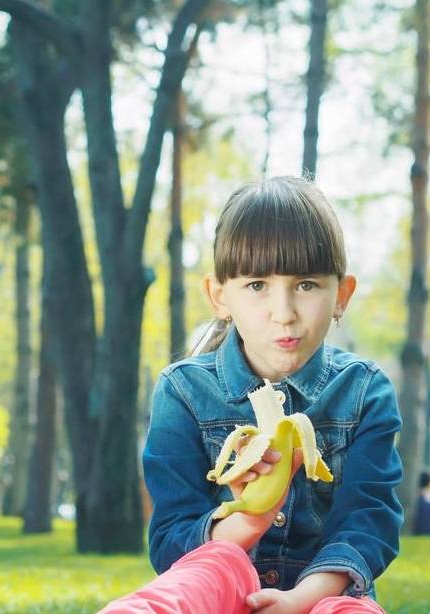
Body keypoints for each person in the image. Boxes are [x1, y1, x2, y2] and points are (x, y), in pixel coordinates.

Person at [101, 177, 403, 614]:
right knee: (179, 591)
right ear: (220, 296)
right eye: (258, 285)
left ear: (342, 294)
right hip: (217, 587)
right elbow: (170, 540)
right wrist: (248, 517)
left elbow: (366, 525)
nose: (284, 314)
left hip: (325, 595)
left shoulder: (364, 392)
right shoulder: (183, 391)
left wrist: (300, 600)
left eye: (306, 285)